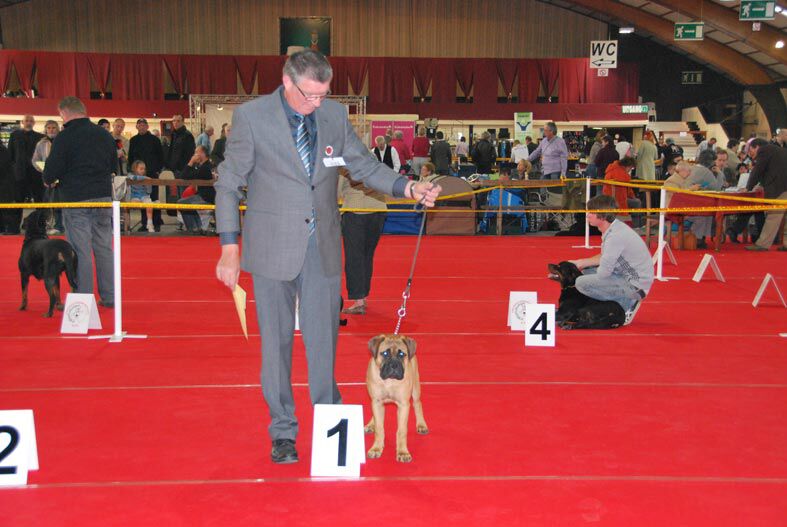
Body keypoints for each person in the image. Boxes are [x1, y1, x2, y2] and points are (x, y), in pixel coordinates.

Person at [213, 49, 441, 465]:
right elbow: (228, 183)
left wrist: (408, 188)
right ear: (287, 81)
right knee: (276, 348)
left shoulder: (334, 115)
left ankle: (329, 422)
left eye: (323, 95)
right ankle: (283, 431)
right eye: (310, 95)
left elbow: (364, 167)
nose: (317, 103)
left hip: (321, 248)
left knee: (323, 345)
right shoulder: (252, 117)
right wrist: (229, 247)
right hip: (271, 248)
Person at [42, 97, 116, 307]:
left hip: (76, 199)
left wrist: (48, 179)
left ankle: (83, 300)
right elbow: (113, 165)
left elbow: (51, 172)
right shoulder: (104, 134)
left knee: (79, 251)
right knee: (103, 248)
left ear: (65, 113)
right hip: (103, 197)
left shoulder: (64, 137)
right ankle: (109, 296)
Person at [569, 194, 653, 326]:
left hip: (635, 285)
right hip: (631, 277)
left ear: (602, 216)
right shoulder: (614, 228)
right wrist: (581, 263)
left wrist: (582, 277)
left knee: (581, 282)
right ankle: (619, 300)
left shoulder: (615, 236)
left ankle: (626, 304)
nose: (587, 215)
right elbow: (606, 255)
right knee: (584, 273)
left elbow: (604, 273)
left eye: (591, 212)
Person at [338, 168, 387, 315]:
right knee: (367, 255)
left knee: (354, 257)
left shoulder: (344, 164)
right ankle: (363, 297)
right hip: (378, 209)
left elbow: (337, 191)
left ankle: (359, 301)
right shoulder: (373, 162)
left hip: (356, 210)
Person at [743, 138, 787, 251]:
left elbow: (758, 170)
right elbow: (772, 170)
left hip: (780, 188)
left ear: (757, 146)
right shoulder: (780, 150)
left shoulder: (764, 150)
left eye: (750, 150)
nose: (750, 154)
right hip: (784, 186)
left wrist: (748, 188)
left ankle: (763, 244)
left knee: (773, 216)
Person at [128, 118, 165, 232]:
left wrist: (158, 170)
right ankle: (145, 223)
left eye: (144, 125)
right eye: (139, 125)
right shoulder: (133, 140)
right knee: (141, 198)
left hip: (152, 174)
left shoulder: (155, 140)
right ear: (137, 127)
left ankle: (156, 222)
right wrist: (131, 171)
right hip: (138, 175)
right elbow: (130, 157)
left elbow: (161, 156)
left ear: (147, 126)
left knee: (153, 198)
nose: (142, 127)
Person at [9, 115, 44, 234]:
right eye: (26, 121)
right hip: (19, 175)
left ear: (34, 123)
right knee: (17, 202)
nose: (28, 123)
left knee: (39, 201)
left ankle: (41, 227)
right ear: (22, 122)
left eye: (31, 121)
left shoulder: (40, 137)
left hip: (36, 174)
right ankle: (14, 229)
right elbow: (11, 155)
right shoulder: (14, 136)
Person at [31, 120, 64, 234]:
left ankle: (60, 225)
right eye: (49, 128)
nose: (51, 130)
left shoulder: (63, 141)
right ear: (45, 129)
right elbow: (35, 160)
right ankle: (49, 225)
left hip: (63, 178)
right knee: (48, 202)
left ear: (58, 129)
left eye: (54, 127)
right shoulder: (41, 144)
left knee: (60, 202)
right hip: (47, 178)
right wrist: (44, 171)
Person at [178, 145, 215, 234]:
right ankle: (197, 227)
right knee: (184, 202)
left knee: (181, 203)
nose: (194, 155)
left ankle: (193, 229)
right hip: (203, 195)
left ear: (202, 154)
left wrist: (191, 162)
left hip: (206, 197)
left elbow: (184, 176)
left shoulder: (205, 168)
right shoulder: (204, 166)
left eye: (196, 152)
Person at [602, 157, 642, 228]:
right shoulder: (623, 174)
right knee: (637, 203)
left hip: (608, 198)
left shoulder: (611, 169)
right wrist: (634, 197)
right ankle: (636, 226)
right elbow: (629, 190)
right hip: (617, 200)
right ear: (628, 166)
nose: (630, 170)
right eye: (631, 168)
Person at [127, 161, 155, 233]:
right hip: (135, 196)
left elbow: (149, 191)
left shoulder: (147, 179)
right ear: (135, 169)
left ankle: (150, 224)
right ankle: (127, 226)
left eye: (144, 169)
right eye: (141, 169)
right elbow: (131, 177)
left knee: (149, 204)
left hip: (144, 196)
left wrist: (148, 184)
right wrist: (145, 178)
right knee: (134, 202)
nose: (143, 170)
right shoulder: (131, 175)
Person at [0, 141, 14, 235]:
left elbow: (3, 167)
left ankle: (8, 229)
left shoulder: (2, 150)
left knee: (5, 209)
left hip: (4, 185)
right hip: (5, 184)